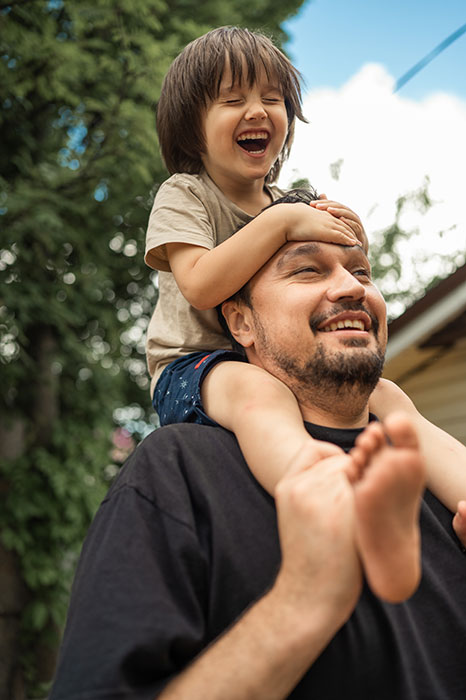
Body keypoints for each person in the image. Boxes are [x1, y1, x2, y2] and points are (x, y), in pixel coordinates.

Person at [50, 230, 466, 699]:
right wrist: (303, 601)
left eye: (362, 271)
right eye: (308, 269)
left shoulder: (436, 474)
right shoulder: (179, 471)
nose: (352, 286)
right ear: (241, 322)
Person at [144, 25, 418, 603]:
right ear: (192, 125)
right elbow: (198, 285)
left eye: (272, 98)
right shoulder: (185, 194)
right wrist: (284, 224)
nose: (258, 110)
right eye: (233, 98)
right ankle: (319, 496)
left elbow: (326, 271)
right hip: (194, 368)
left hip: (268, 360)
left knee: (389, 397)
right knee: (259, 396)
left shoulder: (284, 204)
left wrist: (344, 239)